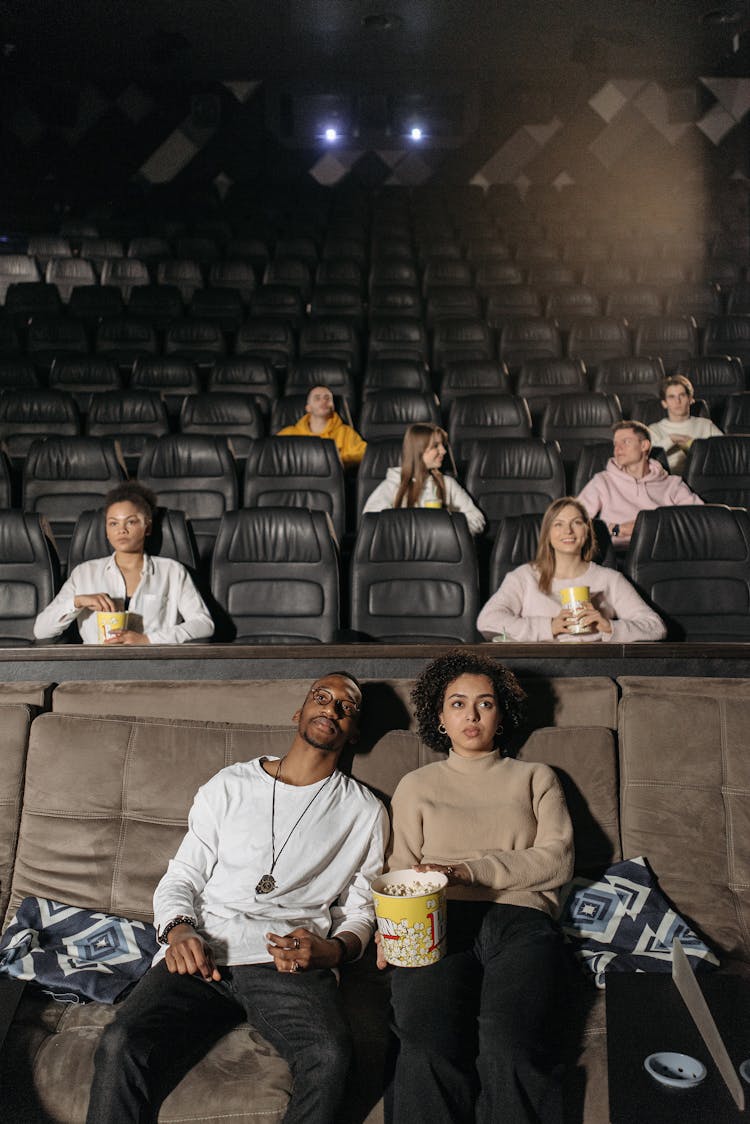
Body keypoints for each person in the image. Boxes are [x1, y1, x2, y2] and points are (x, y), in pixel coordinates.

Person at [86, 672, 389, 1124]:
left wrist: (333, 950)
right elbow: (182, 875)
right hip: (205, 952)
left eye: (347, 706)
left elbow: (363, 909)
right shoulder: (230, 784)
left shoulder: (364, 811)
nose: (332, 708)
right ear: (299, 712)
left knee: (330, 1056)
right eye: (321, 697)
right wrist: (179, 929)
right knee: (119, 1043)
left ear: (355, 730)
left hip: (287, 962)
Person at [381, 650, 573, 1124]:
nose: (472, 714)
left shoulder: (535, 777)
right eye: (458, 704)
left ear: (500, 715)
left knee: (511, 1049)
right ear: (440, 718)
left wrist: (469, 870)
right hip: (433, 924)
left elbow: (558, 859)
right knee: (426, 1050)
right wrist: (388, 935)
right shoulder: (416, 785)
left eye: (485, 704)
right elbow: (399, 868)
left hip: (521, 918)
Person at [33, 482, 214, 645]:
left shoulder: (172, 571)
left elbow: (204, 624)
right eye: (113, 524)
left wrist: (148, 640)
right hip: (96, 669)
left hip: (155, 666)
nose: (121, 530)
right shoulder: (84, 573)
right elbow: (41, 630)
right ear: (106, 530)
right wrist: (78, 602)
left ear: (147, 527)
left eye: (131, 522)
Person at [476, 497, 666, 642]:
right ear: (548, 534)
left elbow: (655, 627)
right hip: (541, 668)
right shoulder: (524, 577)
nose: (568, 531)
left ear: (587, 531)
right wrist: (549, 627)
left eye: (576, 522)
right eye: (558, 524)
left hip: (593, 670)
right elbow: (487, 620)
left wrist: (609, 627)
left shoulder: (610, 579)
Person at [577, 420, 703, 546]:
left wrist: (644, 527)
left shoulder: (672, 484)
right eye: (615, 444)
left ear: (644, 446)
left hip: (663, 552)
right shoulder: (602, 481)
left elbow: (699, 518)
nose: (617, 448)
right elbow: (575, 519)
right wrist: (616, 530)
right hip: (617, 554)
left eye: (626, 442)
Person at [362, 423, 486, 534]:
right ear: (418, 451)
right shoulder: (393, 485)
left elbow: (476, 519)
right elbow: (372, 523)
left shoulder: (448, 484)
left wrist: (448, 532)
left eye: (443, 445)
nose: (443, 451)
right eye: (436, 446)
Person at [276, 384, 367, 468]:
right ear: (308, 408)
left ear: (333, 406)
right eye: (317, 398)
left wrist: (336, 459)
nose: (324, 401)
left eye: (327, 398)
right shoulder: (288, 433)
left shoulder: (346, 432)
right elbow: (273, 456)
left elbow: (364, 453)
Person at [648, 374, 723, 475]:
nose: (677, 401)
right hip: (667, 481)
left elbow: (723, 453)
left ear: (690, 399)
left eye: (682, 395)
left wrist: (690, 444)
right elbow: (646, 458)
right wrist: (672, 439)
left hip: (703, 478)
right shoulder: (653, 429)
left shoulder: (705, 425)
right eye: (671, 397)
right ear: (664, 403)